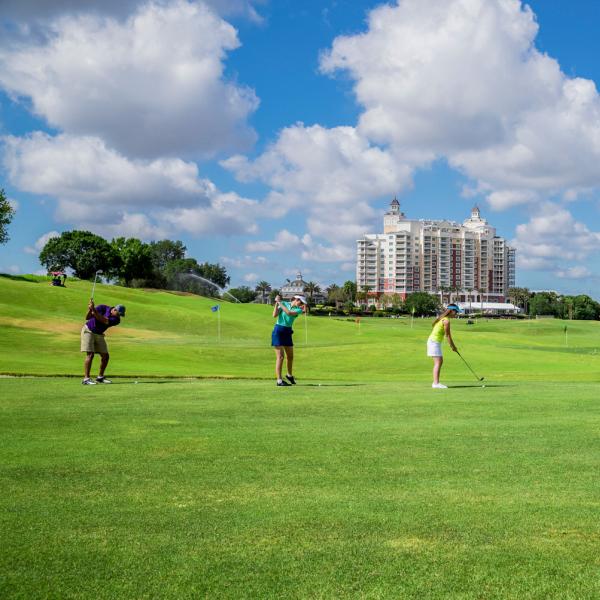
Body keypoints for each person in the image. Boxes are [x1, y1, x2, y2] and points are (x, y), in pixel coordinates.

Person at [81, 300, 126, 385]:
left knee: (105, 355)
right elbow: (87, 317)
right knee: (90, 354)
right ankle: (86, 379)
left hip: (99, 334)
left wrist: (93, 310)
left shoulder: (116, 320)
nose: (119, 316)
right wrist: (90, 309)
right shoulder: (102, 307)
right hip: (88, 331)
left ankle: (100, 377)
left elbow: (104, 320)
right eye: (119, 314)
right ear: (114, 310)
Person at [271, 294, 307, 386]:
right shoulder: (284, 303)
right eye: (301, 302)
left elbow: (289, 313)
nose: (301, 304)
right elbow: (274, 315)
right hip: (278, 331)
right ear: (296, 299)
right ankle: (279, 381)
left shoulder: (298, 310)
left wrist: (279, 302)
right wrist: (277, 303)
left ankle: (289, 375)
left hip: (287, 332)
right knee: (280, 357)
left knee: (290, 356)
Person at [427, 303, 461, 389]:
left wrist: (453, 346)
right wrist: (453, 346)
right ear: (451, 311)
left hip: (434, 342)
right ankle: (436, 383)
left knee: (439, 362)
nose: (456, 314)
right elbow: (448, 335)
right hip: (434, 342)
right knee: (438, 362)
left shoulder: (442, 318)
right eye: (456, 312)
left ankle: (435, 382)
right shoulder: (446, 321)